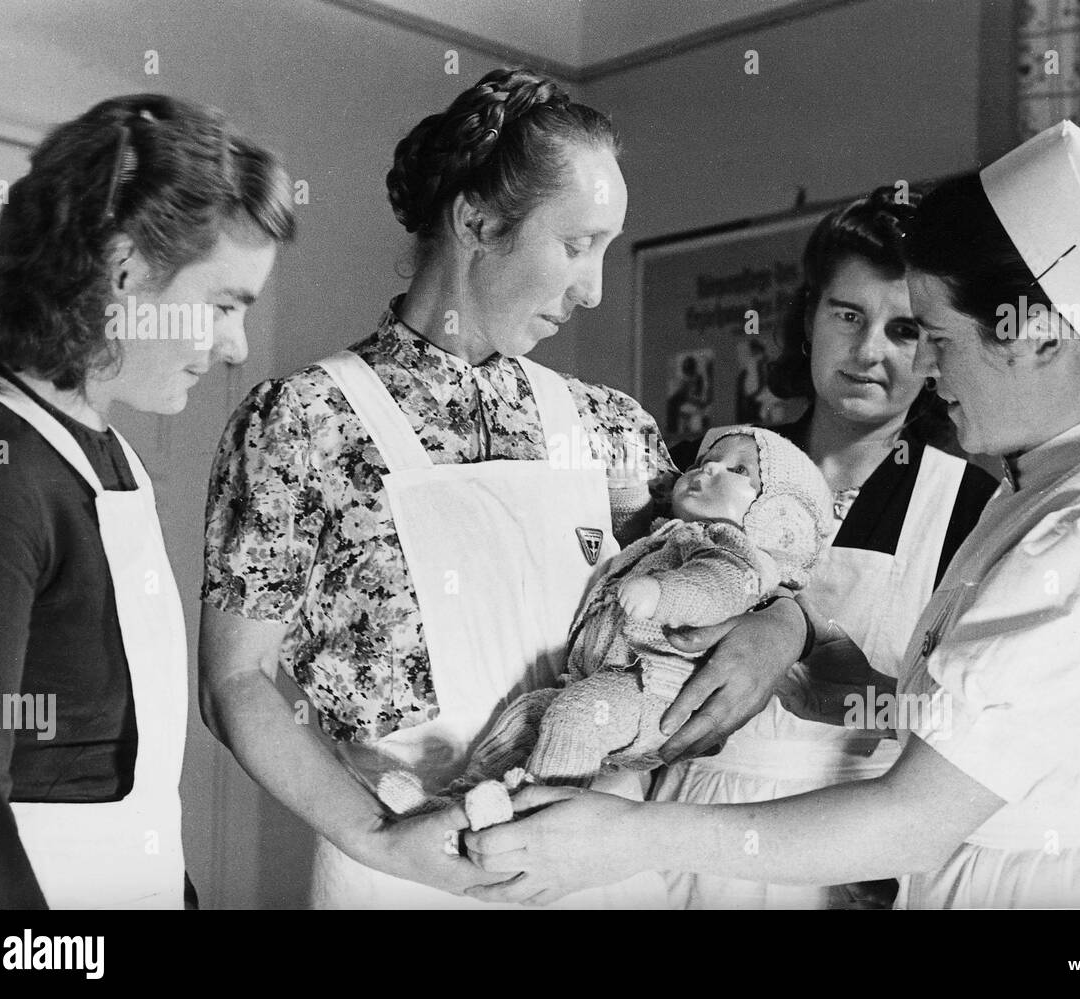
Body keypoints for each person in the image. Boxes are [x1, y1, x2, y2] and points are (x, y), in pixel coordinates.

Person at [464, 121, 1080, 908]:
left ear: (1038, 338)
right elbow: (995, 732)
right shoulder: (1045, 485)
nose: (924, 367)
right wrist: (812, 647)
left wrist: (626, 837)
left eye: (934, 336)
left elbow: (913, 818)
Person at [197, 67, 810, 909]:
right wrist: (376, 835)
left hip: (601, 866)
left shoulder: (609, 428)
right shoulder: (307, 422)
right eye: (576, 244)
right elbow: (236, 681)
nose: (593, 289)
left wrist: (784, 622)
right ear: (477, 220)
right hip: (409, 870)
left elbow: (739, 562)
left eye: (606, 248)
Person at [0, 94, 294, 909]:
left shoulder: (106, 454)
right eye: (223, 306)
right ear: (124, 270)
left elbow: (126, 785)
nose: (235, 348)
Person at [650, 186, 996, 909]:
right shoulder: (702, 465)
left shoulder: (971, 509)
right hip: (671, 833)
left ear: (937, 350)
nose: (869, 350)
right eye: (848, 314)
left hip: (844, 855)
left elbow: (974, 741)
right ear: (807, 320)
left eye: (904, 329)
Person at [375, 426, 831, 834]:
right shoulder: (666, 535)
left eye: (737, 470)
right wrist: (624, 492)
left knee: (574, 718)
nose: (709, 467)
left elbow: (722, 587)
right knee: (527, 719)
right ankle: (458, 805)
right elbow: (627, 530)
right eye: (702, 462)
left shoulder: (733, 550)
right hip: (607, 681)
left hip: (655, 696)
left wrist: (663, 594)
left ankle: (531, 825)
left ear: (772, 516)